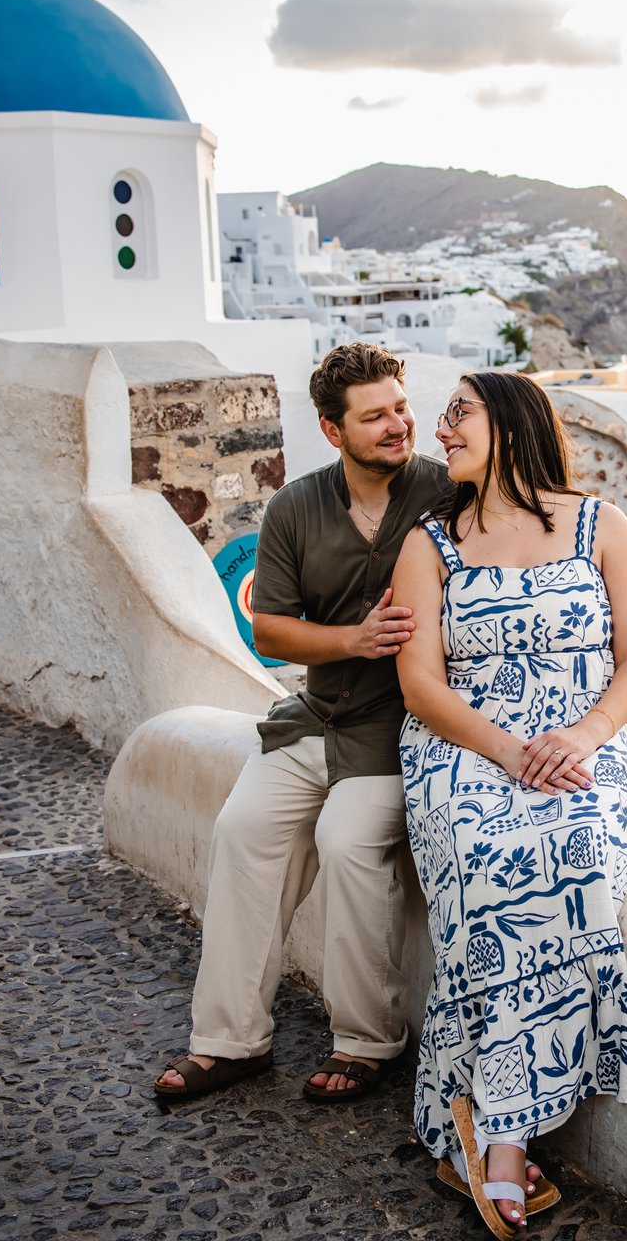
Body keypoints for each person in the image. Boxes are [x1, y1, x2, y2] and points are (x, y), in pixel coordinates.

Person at [391, 371, 627, 1236]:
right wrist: (508, 752)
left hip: (587, 744)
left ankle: (480, 1117)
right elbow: (421, 685)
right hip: (463, 746)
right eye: (443, 417)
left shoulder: (602, 526)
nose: (442, 429)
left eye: (459, 414)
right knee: (493, 855)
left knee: (578, 854)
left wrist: (582, 736)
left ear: (510, 421)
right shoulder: (429, 544)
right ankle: (507, 1139)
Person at [152, 343, 450, 1104]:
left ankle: (367, 1041)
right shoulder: (294, 507)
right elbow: (271, 631)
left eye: (401, 408)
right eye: (374, 417)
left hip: (399, 730)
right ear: (332, 430)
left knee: (348, 842)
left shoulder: (446, 494)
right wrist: (354, 641)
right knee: (241, 830)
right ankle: (230, 1041)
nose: (398, 425)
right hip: (314, 719)